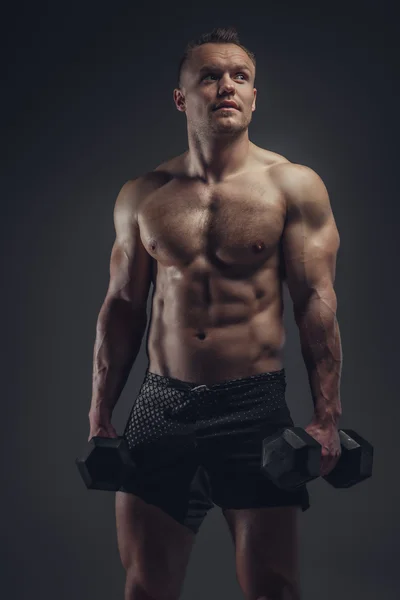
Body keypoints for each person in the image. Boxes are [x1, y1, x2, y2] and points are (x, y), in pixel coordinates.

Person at [88, 26, 343, 600]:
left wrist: (327, 416)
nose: (226, 85)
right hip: (161, 406)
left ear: (254, 96)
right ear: (183, 97)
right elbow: (123, 307)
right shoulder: (143, 194)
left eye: (239, 77)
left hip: (251, 407)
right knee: (146, 587)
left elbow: (315, 303)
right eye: (209, 76)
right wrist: (101, 410)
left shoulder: (293, 186)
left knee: (272, 587)